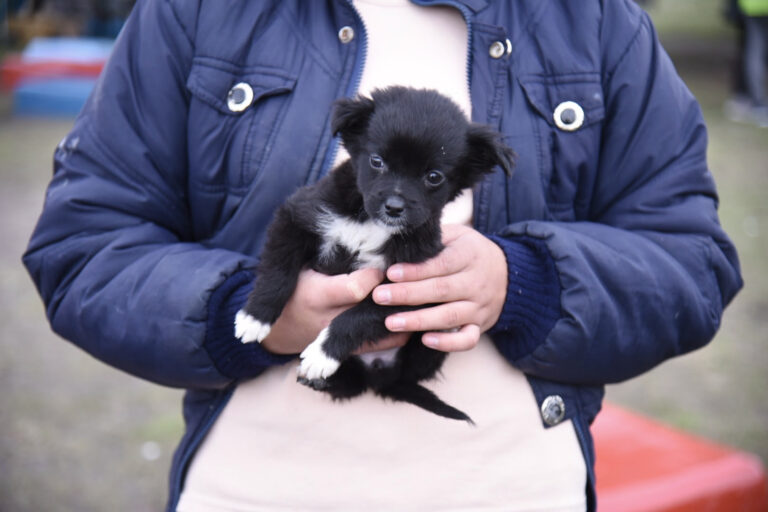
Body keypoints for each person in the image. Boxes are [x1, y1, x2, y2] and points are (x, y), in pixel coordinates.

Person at [23, 1, 743, 511]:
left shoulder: (595, 21)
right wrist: (250, 313)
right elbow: (85, 246)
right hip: (252, 492)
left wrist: (525, 285)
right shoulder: (199, 11)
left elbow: (692, 263)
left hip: (515, 493)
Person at [738, 0, 768, 126]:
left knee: (754, 52)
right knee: (756, 53)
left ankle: (757, 102)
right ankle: (758, 104)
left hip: (751, 6)